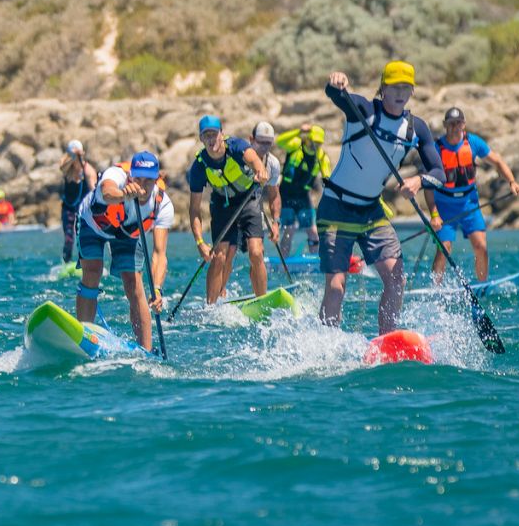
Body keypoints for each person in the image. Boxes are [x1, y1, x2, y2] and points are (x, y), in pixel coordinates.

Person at [320, 61, 445, 335]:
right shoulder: (363, 111)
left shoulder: (416, 129)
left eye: (406, 88)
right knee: (337, 283)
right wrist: (336, 82)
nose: (400, 93)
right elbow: (337, 95)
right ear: (383, 89)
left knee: (396, 278)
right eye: (394, 87)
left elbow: (439, 172)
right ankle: (325, 344)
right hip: (335, 208)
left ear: (412, 92)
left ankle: (387, 341)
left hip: (371, 212)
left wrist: (419, 180)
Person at [76, 151, 173, 352]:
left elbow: (159, 253)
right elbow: (106, 191)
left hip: (127, 235)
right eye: (137, 178)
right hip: (93, 225)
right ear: (130, 176)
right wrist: (124, 195)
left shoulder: (163, 205)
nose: (142, 185)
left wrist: (157, 288)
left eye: (148, 180)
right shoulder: (116, 175)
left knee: (133, 282)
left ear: (157, 179)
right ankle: (82, 337)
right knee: (93, 270)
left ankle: (146, 350)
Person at [424, 107, 519, 282]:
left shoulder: (473, 143)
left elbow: (497, 161)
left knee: (481, 246)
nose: (455, 127)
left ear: (464, 124)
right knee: (444, 248)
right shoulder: (436, 149)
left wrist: (512, 181)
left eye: (458, 123)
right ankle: (435, 290)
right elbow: (428, 187)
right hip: (444, 205)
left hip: (469, 203)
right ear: (445, 125)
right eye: (451, 123)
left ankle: (482, 285)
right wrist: (434, 215)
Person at [187, 115, 270, 304]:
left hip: (248, 199)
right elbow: (194, 210)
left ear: (221, 134)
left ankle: (262, 300)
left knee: (256, 252)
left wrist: (260, 170)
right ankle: (211, 307)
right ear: (201, 139)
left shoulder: (236, 146)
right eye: (206, 136)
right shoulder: (199, 167)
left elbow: (253, 159)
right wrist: (200, 242)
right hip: (223, 205)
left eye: (213, 134)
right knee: (219, 256)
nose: (210, 140)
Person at [276, 123, 332, 257]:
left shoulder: (322, 157)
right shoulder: (296, 145)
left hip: (303, 196)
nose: (315, 146)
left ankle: (316, 259)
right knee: (289, 229)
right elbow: (279, 141)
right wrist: (298, 131)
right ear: (307, 139)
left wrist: (327, 181)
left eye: (318, 143)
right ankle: (283, 261)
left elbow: (327, 175)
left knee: (312, 230)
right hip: (286, 195)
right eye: (313, 142)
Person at [58, 139, 97, 263]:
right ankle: (66, 263)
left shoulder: (88, 170)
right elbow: (62, 167)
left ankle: (84, 264)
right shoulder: (66, 167)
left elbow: (94, 192)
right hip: (68, 209)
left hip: (84, 211)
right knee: (69, 239)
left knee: (83, 237)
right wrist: (73, 156)